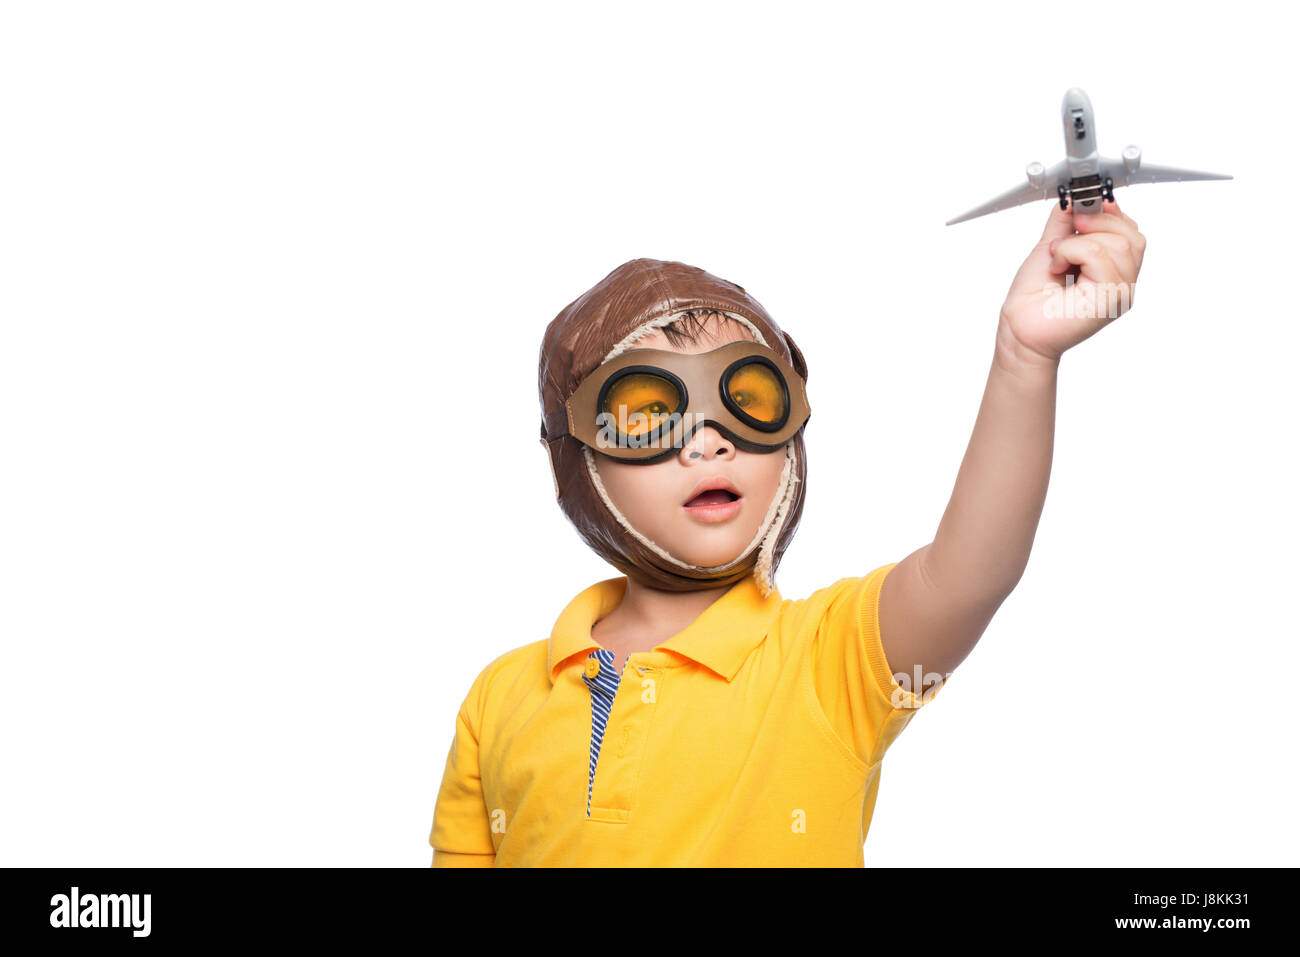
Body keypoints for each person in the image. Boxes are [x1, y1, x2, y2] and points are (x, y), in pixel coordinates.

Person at [429, 199, 1146, 866]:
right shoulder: (499, 698)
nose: (708, 443)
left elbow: (967, 575)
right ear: (574, 453)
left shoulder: (827, 659)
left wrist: (1025, 357)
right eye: (648, 409)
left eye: (747, 398)